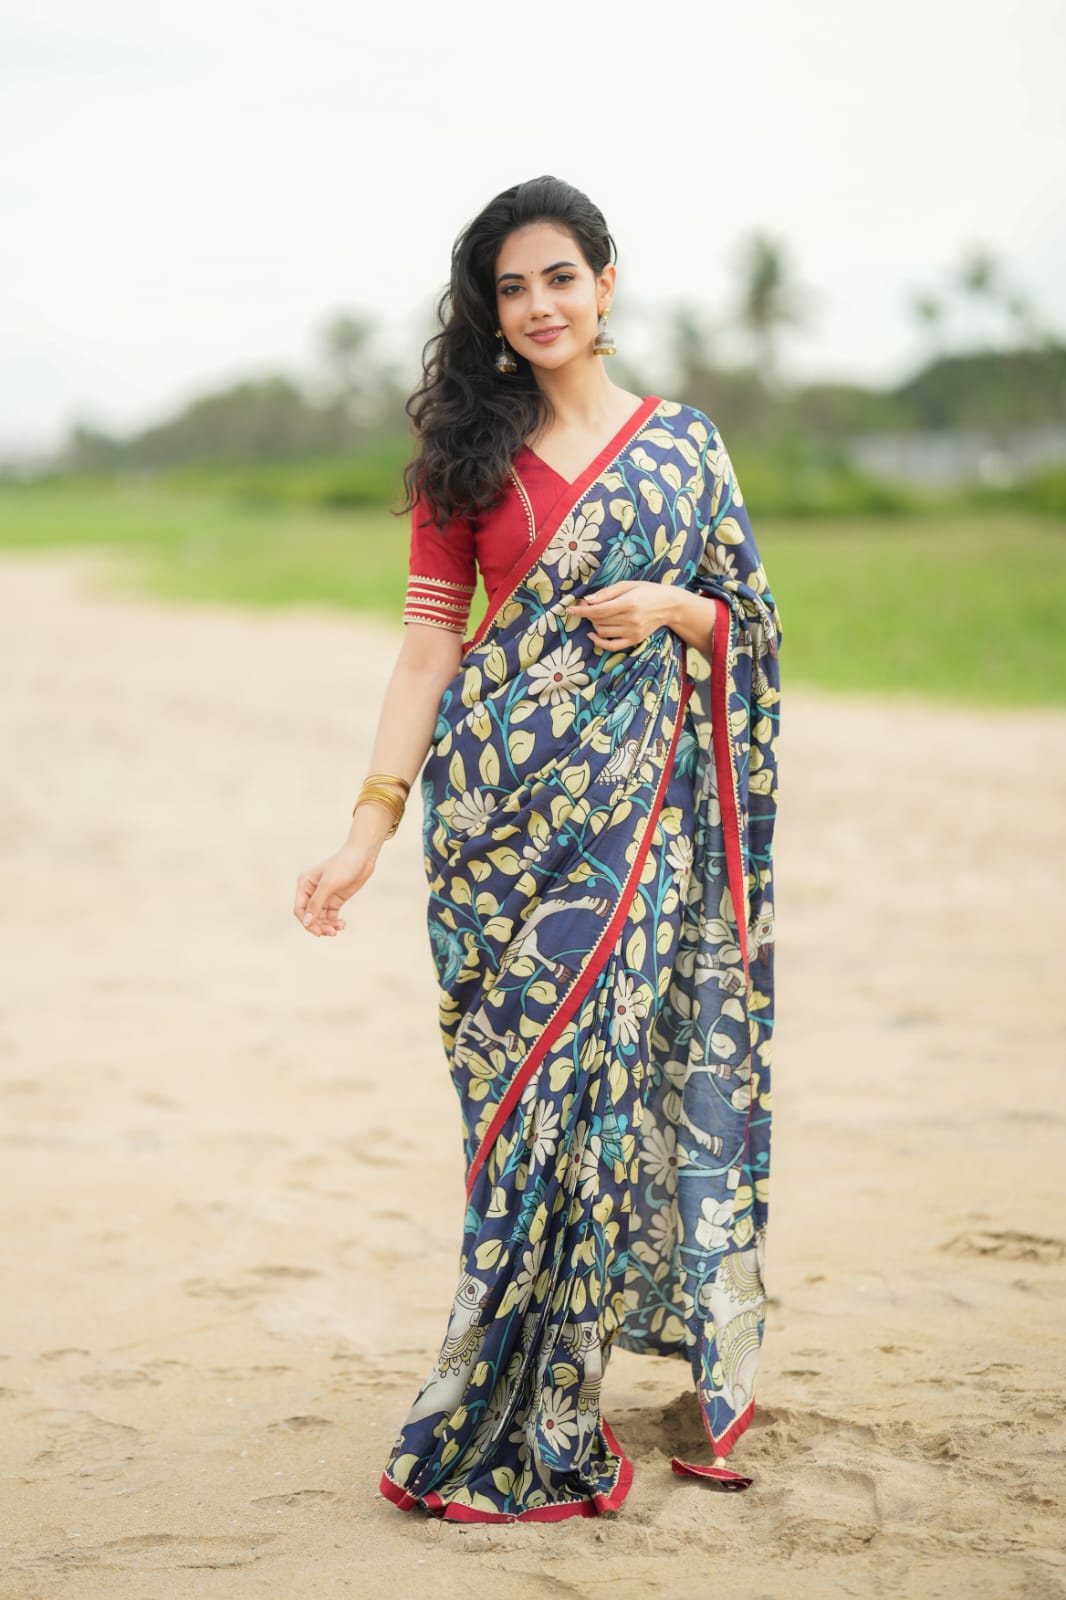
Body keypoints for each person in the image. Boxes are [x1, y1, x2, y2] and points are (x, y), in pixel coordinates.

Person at [293, 176, 782, 1523]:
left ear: (605, 283)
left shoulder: (683, 447)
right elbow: (427, 648)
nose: (538, 305)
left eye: (559, 277)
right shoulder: (465, 457)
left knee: (600, 1092)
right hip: (492, 831)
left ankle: (560, 1390)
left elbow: (749, 620)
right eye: (511, 288)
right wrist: (368, 826)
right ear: (490, 312)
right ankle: (509, 1385)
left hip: (637, 820)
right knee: (515, 1114)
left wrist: (678, 604)